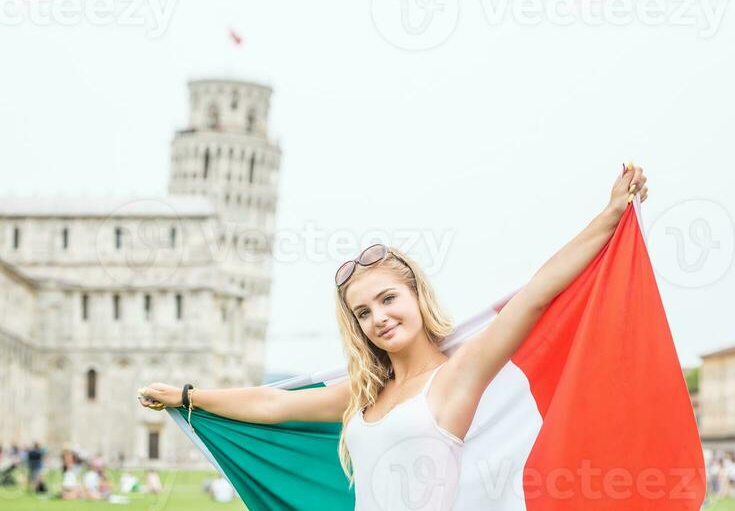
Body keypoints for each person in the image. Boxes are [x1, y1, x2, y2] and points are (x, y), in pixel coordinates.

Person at [139, 163, 649, 509]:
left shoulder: (456, 377)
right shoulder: (363, 395)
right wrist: (188, 397)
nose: (378, 318)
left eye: (388, 300)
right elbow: (274, 404)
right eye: (362, 312)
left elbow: (535, 295)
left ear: (415, 297)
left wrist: (608, 217)